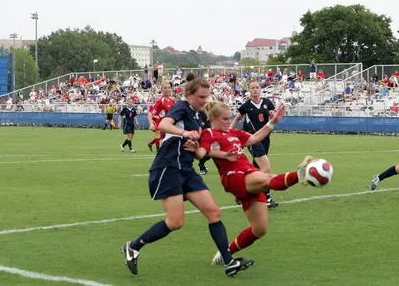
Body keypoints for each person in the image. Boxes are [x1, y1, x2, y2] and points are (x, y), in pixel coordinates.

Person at [120, 74, 254, 277]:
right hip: (168, 167)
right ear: (190, 95)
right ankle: (133, 246)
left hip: (186, 169)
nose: (205, 100)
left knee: (213, 212)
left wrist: (220, 153)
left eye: (207, 96)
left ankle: (229, 262)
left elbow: (200, 150)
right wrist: (185, 134)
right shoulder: (182, 107)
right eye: (201, 97)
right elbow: (163, 125)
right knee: (176, 222)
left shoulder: (199, 116)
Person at [195, 100, 314, 265]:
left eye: (229, 118)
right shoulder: (208, 133)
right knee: (267, 179)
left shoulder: (234, 133)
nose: (229, 122)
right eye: (225, 119)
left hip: (248, 172)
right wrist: (221, 154)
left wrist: (273, 121)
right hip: (233, 176)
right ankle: (299, 175)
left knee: (259, 229)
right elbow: (201, 153)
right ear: (214, 119)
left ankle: (226, 252)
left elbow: (255, 137)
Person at [230, 81, 279, 208]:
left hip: (266, 138)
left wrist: (274, 116)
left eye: (257, 87)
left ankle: (242, 192)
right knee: (266, 167)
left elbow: (273, 116)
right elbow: (237, 119)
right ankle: (265, 197)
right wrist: (228, 133)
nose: (255, 90)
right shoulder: (246, 106)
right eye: (253, 88)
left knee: (256, 169)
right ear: (249, 90)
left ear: (260, 89)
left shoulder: (267, 103)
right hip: (252, 138)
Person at [147, 82, 176, 152]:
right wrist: (151, 123)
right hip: (162, 125)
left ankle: (155, 147)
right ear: (162, 89)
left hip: (169, 126)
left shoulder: (172, 101)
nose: (167, 89)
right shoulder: (160, 101)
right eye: (165, 88)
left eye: (169, 88)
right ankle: (158, 150)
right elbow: (150, 112)